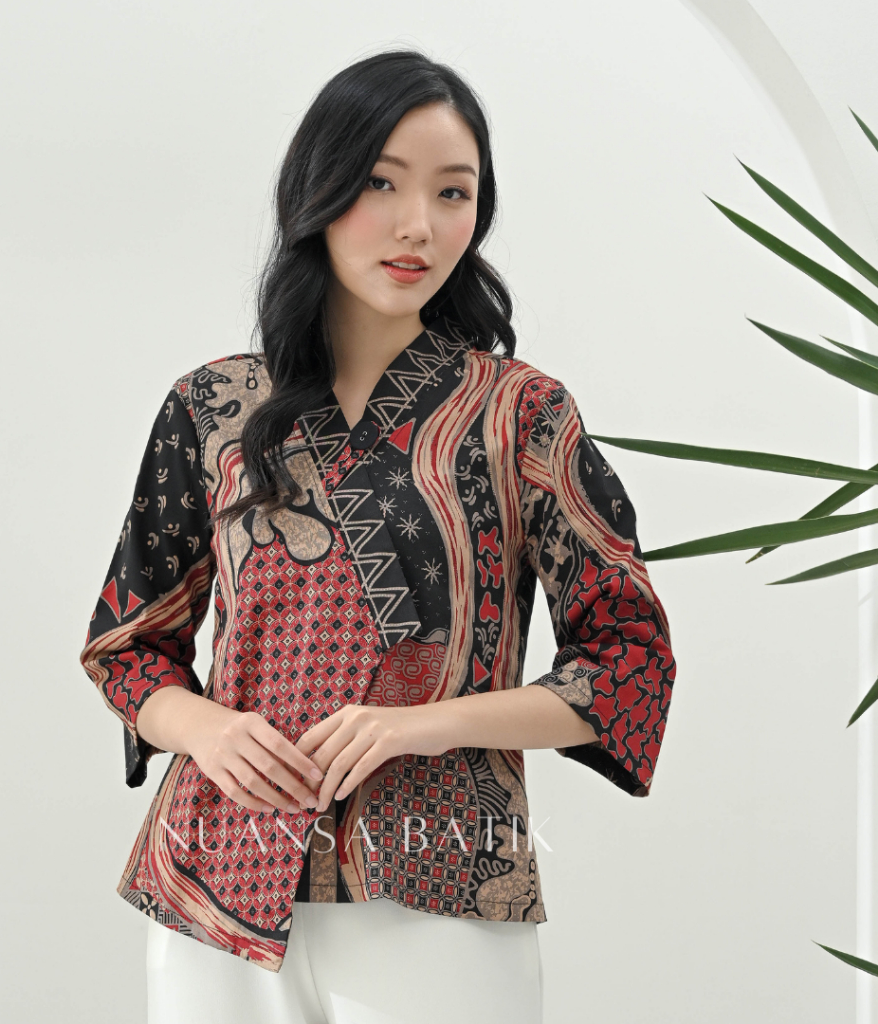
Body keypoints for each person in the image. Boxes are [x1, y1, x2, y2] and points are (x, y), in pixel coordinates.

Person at [80, 48, 676, 1024]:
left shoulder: (522, 417)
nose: (418, 226)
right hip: (215, 884)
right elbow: (127, 646)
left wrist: (422, 723)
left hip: (445, 885)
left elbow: (627, 664)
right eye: (381, 183)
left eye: (453, 193)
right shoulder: (212, 408)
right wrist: (209, 729)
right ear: (316, 191)